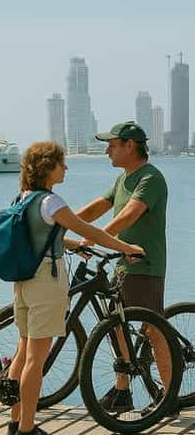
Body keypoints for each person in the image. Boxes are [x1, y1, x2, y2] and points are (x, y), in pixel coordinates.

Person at [7, 141, 143, 435]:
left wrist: (71, 246)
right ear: (47, 168)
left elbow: (42, 237)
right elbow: (91, 230)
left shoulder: (24, 198)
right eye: (61, 164)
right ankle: (27, 430)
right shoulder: (52, 202)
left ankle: (14, 420)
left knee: (22, 353)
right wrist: (126, 248)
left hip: (24, 282)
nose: (65, 168)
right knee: (35, 360)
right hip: (46, 283)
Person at [76, 121, 169, 413]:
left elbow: (129, 215)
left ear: (130, 145)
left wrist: (91, 238)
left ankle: (168, 396)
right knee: (117, 327)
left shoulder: (150, 178)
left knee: (154, 331)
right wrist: (57, 224)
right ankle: (122, 390)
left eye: (112, 145)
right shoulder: (123, 180)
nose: (107, 151)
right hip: (121, 263)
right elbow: (97, 208)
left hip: (144, 264)